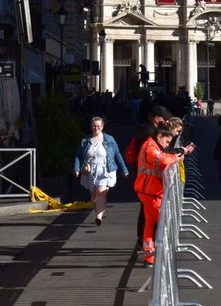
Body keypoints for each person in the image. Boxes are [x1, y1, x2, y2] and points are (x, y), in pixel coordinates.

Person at [133, 123, 195, 267]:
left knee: (150, 223)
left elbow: (164, 156)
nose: (167, 145)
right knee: (164, 221)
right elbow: (162, 159)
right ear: (159, 136)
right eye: (167, 141)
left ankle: (149, 256)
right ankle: (161, 254)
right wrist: (175, 158)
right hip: (149, 191)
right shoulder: (150, 147)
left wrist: (174, 155)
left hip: (148, 190)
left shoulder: (153, 146)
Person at [73, 116, 129, 226]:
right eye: (94, 125)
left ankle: (98, 217)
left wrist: (124, 170)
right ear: (91, 126)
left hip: (106, 170)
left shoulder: (110, 139)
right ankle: (99, 210)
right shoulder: (85, 141)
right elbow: (78, 156)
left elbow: (117, 155)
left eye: (98, 126)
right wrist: (76, 168)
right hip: (90, 172)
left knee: (100, 193)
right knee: (94, 197)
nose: (96, 128)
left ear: (102, 127)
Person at [127, 105, 169, 248]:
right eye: (163, 118)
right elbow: (160, 156)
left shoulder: (147, 130)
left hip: (146, 181)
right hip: (147, 182)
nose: (165, 121)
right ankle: (149, 244)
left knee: (148, 215)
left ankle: (147, 244)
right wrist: (174, 156)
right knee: (150, 215)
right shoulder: (149, 134)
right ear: (156, 119)